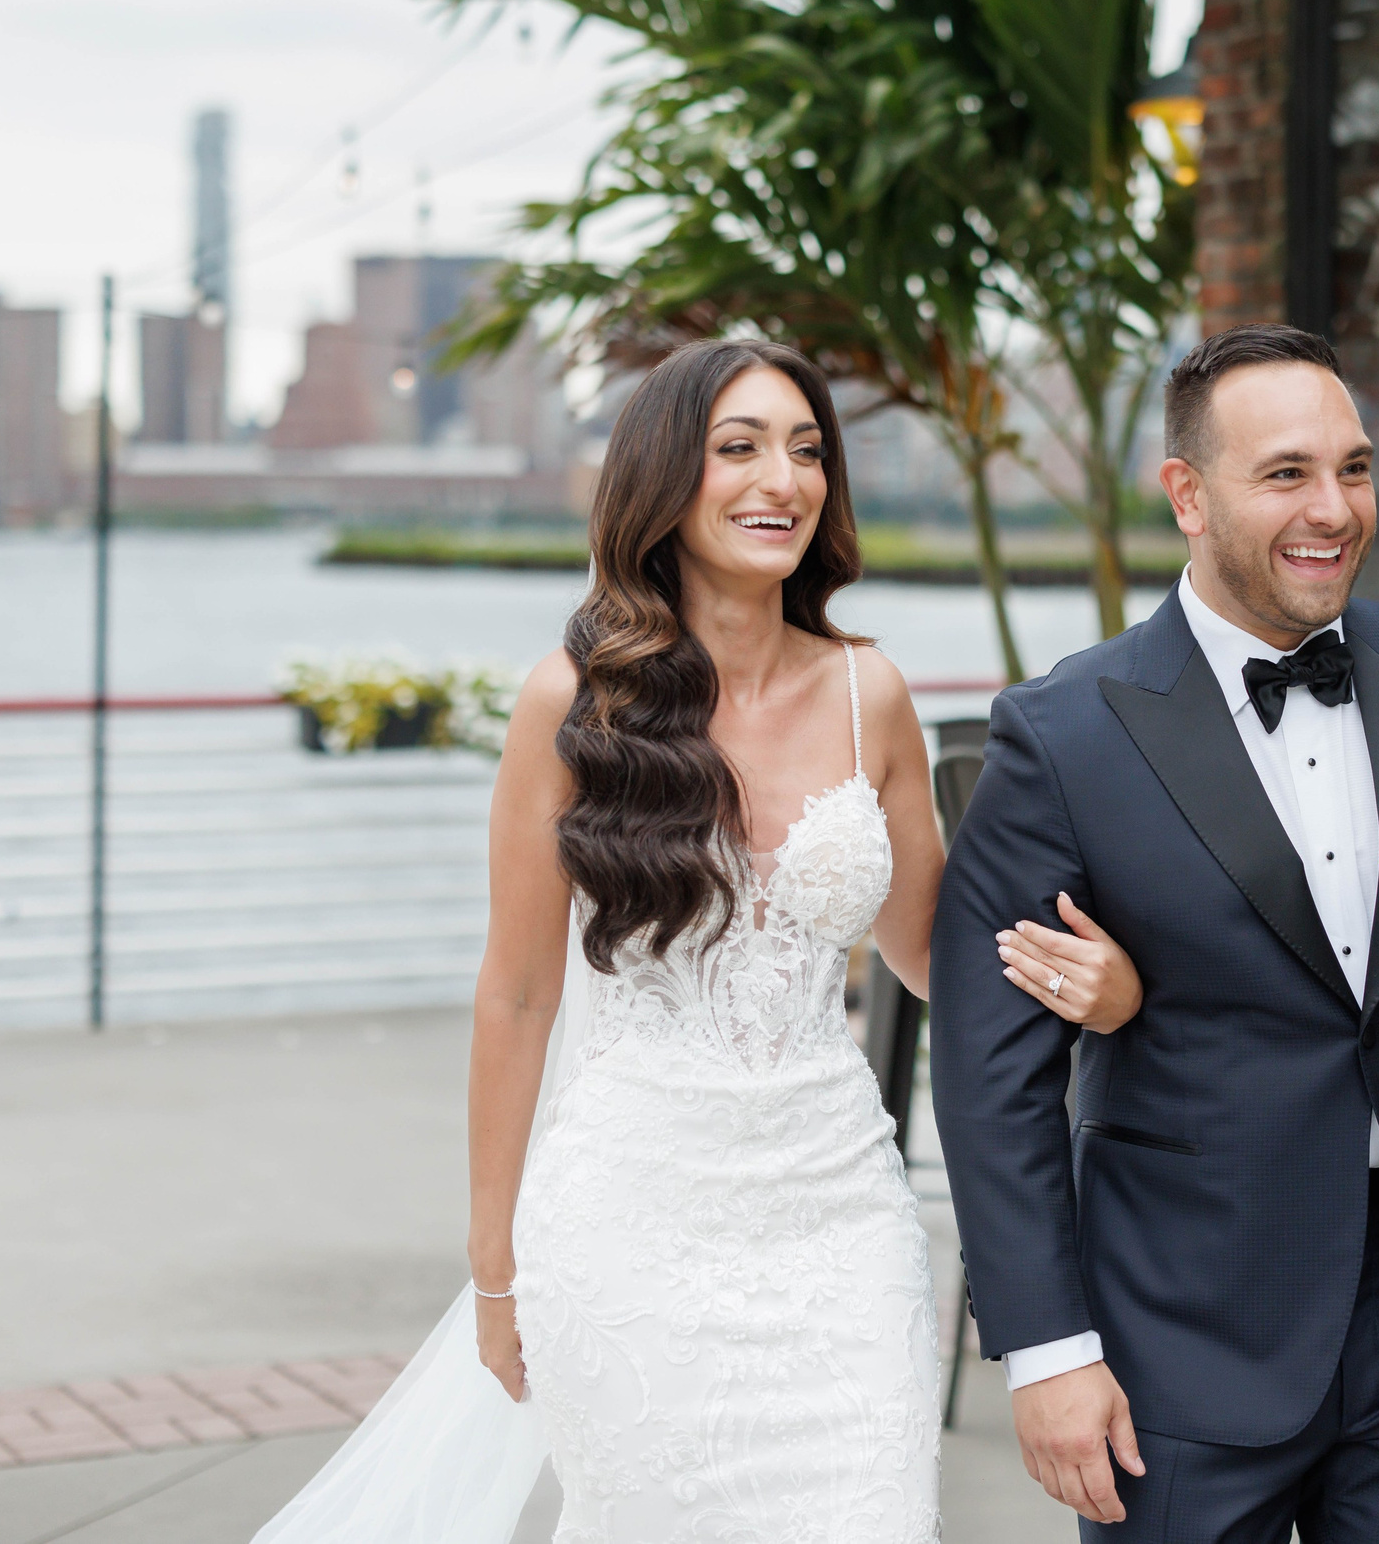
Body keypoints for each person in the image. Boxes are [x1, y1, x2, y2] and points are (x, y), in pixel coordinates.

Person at [254, 338, 1144, 1544]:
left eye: (806, 450)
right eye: (739, 448)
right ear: (664, 480)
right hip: (629, 1228)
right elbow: (515, 998)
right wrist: (495, 1266)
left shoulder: (865, 693)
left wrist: (1099, 986)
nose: (782, 479)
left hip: (841, 1228)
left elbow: (935, 954)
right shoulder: (569, 702)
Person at [932, 323, 1379, 1543]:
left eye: (1354, 468)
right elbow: (987, 1071)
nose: (1332, 508)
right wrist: (1045, 1348)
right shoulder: (1060, 734)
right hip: (1180, 1325)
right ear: (1186, 494)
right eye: (1285, 474)